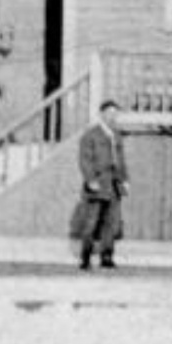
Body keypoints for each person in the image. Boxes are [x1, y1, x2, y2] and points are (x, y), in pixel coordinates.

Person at [71, 99, 129, 269]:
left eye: (115, 114)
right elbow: (85, 160)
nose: (112, 117)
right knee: (91, 222)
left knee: (111, 223)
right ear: (102, 114)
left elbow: (121, 161)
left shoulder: (116, 136)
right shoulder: (90, 135)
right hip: (97, 184)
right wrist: (91, 180)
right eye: (109, 113)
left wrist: (124, 180)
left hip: (113, 185)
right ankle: (86, 258)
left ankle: (107, 257)